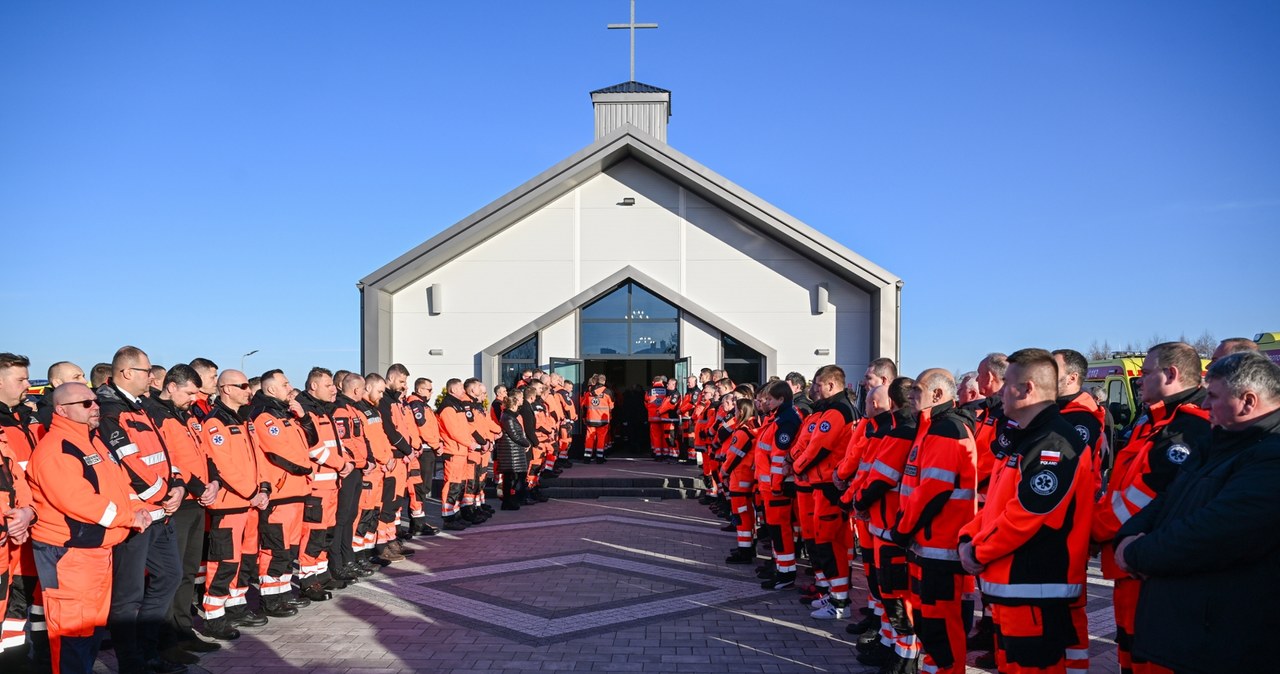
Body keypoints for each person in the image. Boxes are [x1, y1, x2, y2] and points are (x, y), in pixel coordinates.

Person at [1114, 351, 1280, 673]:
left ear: (1247, 401)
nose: (1204, 405)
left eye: (1214, 396)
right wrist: (1126, 537)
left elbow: (1216, 533)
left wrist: (1136, 554)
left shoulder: (1271, 455)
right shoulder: (1218, 443)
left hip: (1230, 639)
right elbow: (1166, 500)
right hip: (1195, 633)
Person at [960, 349, 1093, 673]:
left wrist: (976, 550)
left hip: (1034, 591)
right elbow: (998, 504)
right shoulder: (1028, 438)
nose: (1001, 391)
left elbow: (1026, 516)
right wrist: (968, 535)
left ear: (1028, 388)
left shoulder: (1054, 442)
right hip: (1015, 590)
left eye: (1008, 383)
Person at [1091, 341, 1211, 674]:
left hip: (1149, 565)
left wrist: (1095, 528)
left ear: (1170, 374)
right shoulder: (1154, 421)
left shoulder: (1187, 429)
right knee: (1129, 650)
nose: (1139, 381)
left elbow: (1145, 498)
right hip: (1128, 560)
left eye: (1144, 374)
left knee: (1150, 657)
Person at [27, 383, 152, 674]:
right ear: (62, 410)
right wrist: (127, 517)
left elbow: (118, 486)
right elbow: (78, 500)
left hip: (96, 551)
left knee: (91, 632)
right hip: (70, 554)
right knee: (72, 636)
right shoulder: (58, 448)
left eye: (95, 401)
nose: (95, 406)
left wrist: (135, 509)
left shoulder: (92, 441)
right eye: (85, 403)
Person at [95, 346, 187, 674]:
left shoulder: (140, 408)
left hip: (161, 512)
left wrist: (177, 484)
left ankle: (148, 649)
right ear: (126, 373)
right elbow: (129, 464)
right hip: (137, 517)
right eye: (147, 371)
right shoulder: (109, 411)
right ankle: (132, 662)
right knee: (129, 595)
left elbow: (164, 453)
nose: (152, 377)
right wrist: (164, 493)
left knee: (170, 575)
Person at [890, 368, 977, 674]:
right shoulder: (930, 427)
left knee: (942, 628)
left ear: (937, 395)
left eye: (917, 390)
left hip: (940, 548)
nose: (910, 396)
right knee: (928, 625)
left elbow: (933, 491)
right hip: (925, 545)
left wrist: (901, 529)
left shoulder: (947, 429)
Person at [141, 364, 229, 660]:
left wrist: (214, 480)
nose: (194, 398)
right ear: (172, 386)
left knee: (188, 571)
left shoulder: (188, 415)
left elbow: (204, 453)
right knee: (171, 572)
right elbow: (169, 459)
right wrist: (198, 484)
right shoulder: (155, 414)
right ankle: (166, 640)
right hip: (175, 504)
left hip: (196, 503)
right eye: (189, 392)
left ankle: (183, 630)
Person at [848, 378, 919, 672]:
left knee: (898, 596)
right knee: (887, 591)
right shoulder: (894, 430)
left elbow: (881, 476)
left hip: (893, 526)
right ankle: (892, 646)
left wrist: (860, 501)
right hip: (885, 523)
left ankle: (905, 658)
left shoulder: (901, 432)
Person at [197, 369, 268, 634]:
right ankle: (214, 616)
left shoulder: (244, 418)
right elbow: (223, 465)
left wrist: (264, 487)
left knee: (246, 559)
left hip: (251, 502)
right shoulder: (215, 422)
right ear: (225, 389)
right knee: (225, 560)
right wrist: (252, 492)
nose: (249, 390)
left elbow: (256, 457)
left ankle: (237, 605)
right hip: (230, 503)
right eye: (242, 385)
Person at [246, 369, 319, 617]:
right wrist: (307, 466)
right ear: (271, 389)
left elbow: (310, 442)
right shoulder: (264, 416)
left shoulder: (286, 413)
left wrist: (304, 418)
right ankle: (270, 599)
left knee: (288, 549)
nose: (290, 387)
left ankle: (284, 593)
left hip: (296, 490)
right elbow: (282, 453)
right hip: (280, 494)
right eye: (285, 383)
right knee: (275, 549)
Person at [791, 365, 857, 619]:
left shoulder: (838, 410)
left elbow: (820, 447)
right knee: (826, 544)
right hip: (823, 484)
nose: (814, 389)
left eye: (818, 384)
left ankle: (840, 603)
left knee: (831, 544)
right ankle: (834, 595)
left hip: (829, 486)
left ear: (831, 385)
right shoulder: (831, 410)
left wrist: (796, 466)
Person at [0, 353, 48, 668]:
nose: (28, 385)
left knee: (35, 599)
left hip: (35, 525)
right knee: (12, 602)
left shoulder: (28, 419)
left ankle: (40, 657)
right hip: (11, 527)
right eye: (21, 379)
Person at [720, 398, 760, 565]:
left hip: (740, 479)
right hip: (745, 479)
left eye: (735, 410)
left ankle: (744, 551)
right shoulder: (750, 430)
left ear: (741, 412)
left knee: (741, 516)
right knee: (747, 516)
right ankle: (747, 547)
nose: (734, 413)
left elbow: (732, 457)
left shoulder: (743, 432)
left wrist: (724, 472)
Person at [494, 391, 532, 510]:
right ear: (514, 405)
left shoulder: (510, 416)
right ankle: (508, 501)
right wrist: (526, 443)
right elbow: (514, 435)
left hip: (514, 451)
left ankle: (512, 500)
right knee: (510, 478)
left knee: (513, 477)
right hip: (510, 452)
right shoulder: (508, 417)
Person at [36, 361, 87, 428]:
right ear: (57, 383)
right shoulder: (48, 412)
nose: (85, 381)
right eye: (76, 377)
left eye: (83, 376)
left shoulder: (90, 403)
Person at [582, 381, 614, 463]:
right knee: (601, 439)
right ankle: (599, 458)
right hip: (602, 421)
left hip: (590, 419)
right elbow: (611, 406)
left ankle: (587, 458)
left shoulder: (588, 393)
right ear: (604, 381)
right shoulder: (608, 392)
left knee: (589, 438)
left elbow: (584, 405)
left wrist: (584, 417)